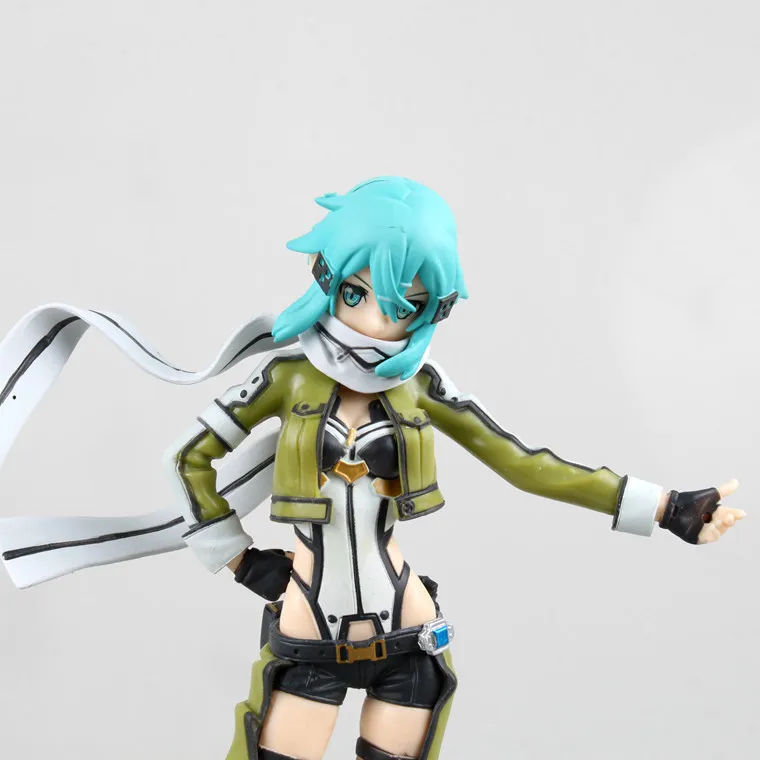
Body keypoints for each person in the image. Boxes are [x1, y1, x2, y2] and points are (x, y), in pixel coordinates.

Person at [0, 177, 745, 760]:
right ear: (327, 278)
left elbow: (523, 463)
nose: (373, 319)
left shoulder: (421, 388)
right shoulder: (287, 379)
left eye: (401, 304)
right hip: (309, 627)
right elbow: (188, 458)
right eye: (356, 293)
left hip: (409, 631)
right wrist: (234, 557)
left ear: (430, 309)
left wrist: (665, 507)